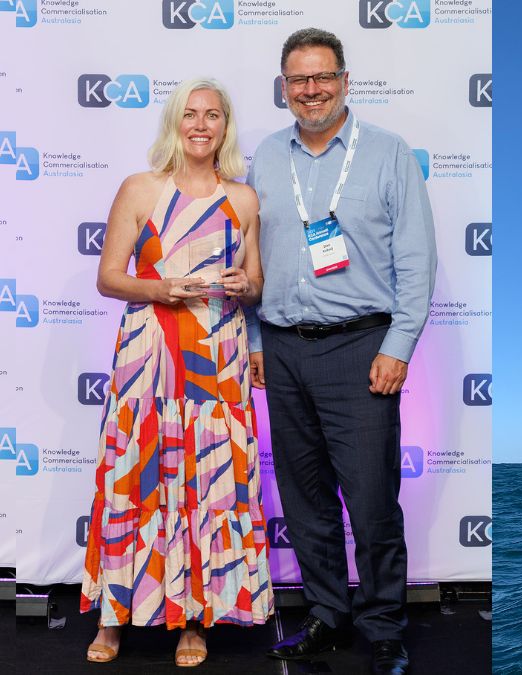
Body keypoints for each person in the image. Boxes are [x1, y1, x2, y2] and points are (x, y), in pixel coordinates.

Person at [246, 28, 436, 675]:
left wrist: (399, 344)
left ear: (346, 81)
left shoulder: (388, 154)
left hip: (362, 348)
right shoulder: (266, 159)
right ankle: (327, 614)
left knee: (372, 499)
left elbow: (416, 260)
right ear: (284, 88)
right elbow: (249, 261)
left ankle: (383, 625)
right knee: (304, 498)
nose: (311, 89)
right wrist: (253, 338)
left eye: (322, 76)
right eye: (298, 80)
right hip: (283, 348)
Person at [80, 78, 272, 667]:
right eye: (189, 114)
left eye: (213, 114)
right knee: (134, 479)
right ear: (173, 122)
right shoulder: (139, 188)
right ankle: (114, 617)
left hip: (218, 359)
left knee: (207, 482)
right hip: (150, 355)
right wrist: (162, 286)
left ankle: (195, 618)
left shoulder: (242, 199)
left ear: (225, 126)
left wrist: (245, 285)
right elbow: (109, 277)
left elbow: (256, 282)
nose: (200, 124)